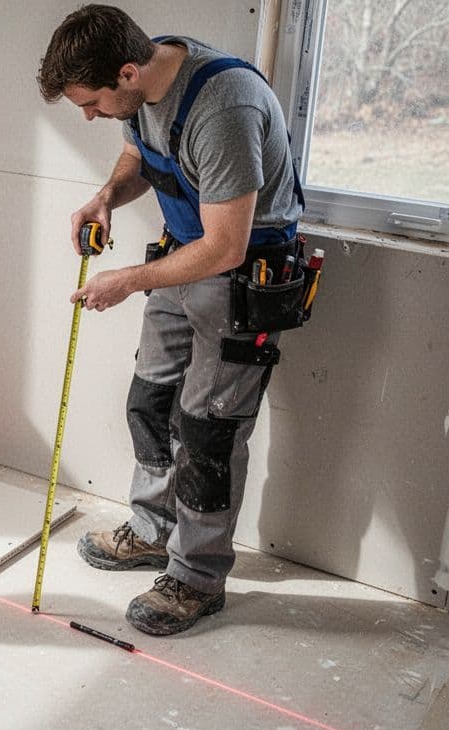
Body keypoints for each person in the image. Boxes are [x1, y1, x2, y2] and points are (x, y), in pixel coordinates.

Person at [38, 5, 305, 635]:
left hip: (239, 277)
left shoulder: (224, 107)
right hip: (181, 264)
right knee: (151, 403)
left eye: (93, 103)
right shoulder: (145, 81)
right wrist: (106, 194)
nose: (89, 116)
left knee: (209, 433)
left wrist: (126, 281)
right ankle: (153, 531)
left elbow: (227, 246)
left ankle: (196, 576)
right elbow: (139, 151)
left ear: (128, 72)